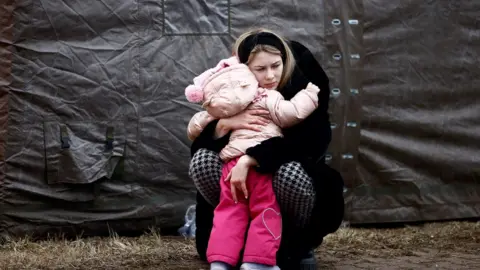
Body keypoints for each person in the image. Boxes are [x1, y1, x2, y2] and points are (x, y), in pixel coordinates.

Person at [188, 28, 345, 270]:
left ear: (285, 61)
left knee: (291, 174)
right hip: (236, 182)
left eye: (275, 66)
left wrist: (252, 158)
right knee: (202, 161)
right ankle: (228, 246)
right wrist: (223, 125)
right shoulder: (235, 92)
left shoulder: (299, 89)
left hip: (279, 175)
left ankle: (295, 246)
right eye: (260, 69)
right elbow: (198, 138)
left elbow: (311, 143)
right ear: (243, 70)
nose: (270, 75)